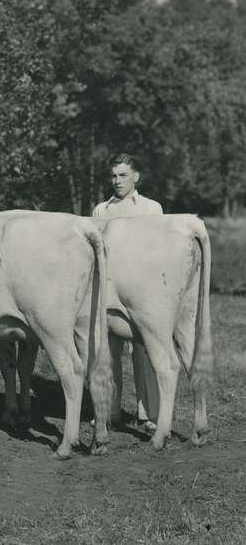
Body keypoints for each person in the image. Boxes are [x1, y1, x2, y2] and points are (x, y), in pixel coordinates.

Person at [93, 153, 164, 433]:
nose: (117, 181)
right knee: (107, 351)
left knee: (144, 351)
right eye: (113, 176)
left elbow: (160, 251)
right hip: (108, 291)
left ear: (136, 176)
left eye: (123, 175)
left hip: (143, 291)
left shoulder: (151, 208)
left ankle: (149, 415)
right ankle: (109, 411)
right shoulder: (101, 210)